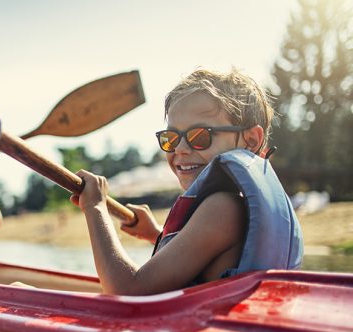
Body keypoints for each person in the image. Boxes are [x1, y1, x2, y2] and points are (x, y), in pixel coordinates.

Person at [72, 69, 303, 296]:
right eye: (171, 139)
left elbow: (127, 290)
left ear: (251, 140)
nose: (180, 149)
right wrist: (157, 234)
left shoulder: (222, 208)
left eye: (200, 136)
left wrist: (95, 207)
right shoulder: (232, 207)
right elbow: (207, 257)